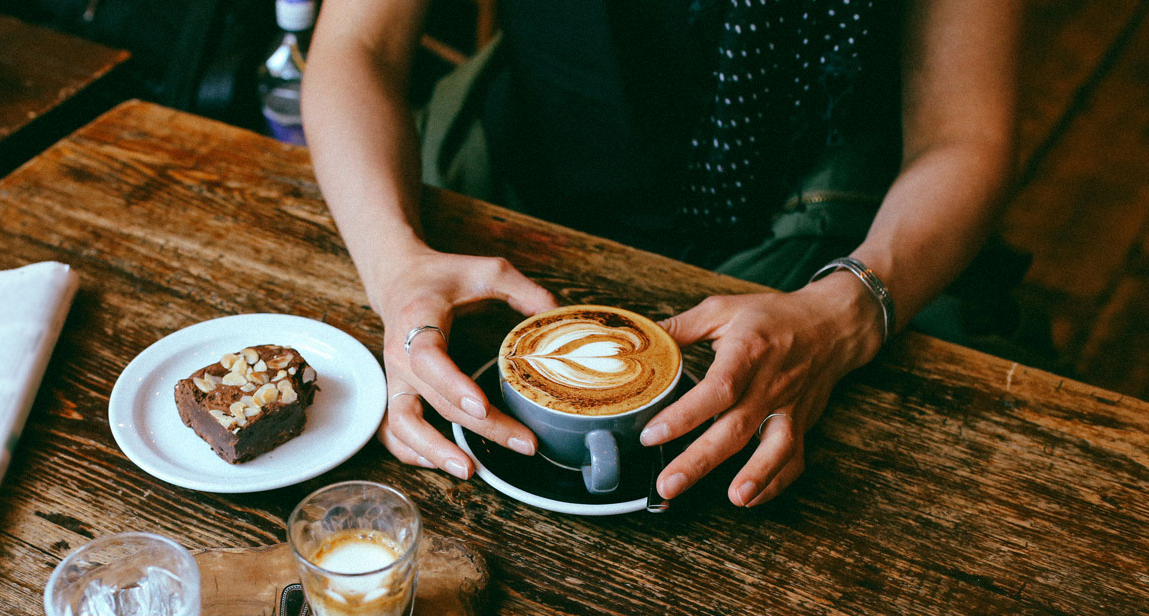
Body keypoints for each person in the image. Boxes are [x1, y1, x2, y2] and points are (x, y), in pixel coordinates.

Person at [303, 0, 1024, 506]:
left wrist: (848, 313)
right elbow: (357, 45)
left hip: (837, 240)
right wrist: (395, 264)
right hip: (512, 196)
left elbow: (965, 132)